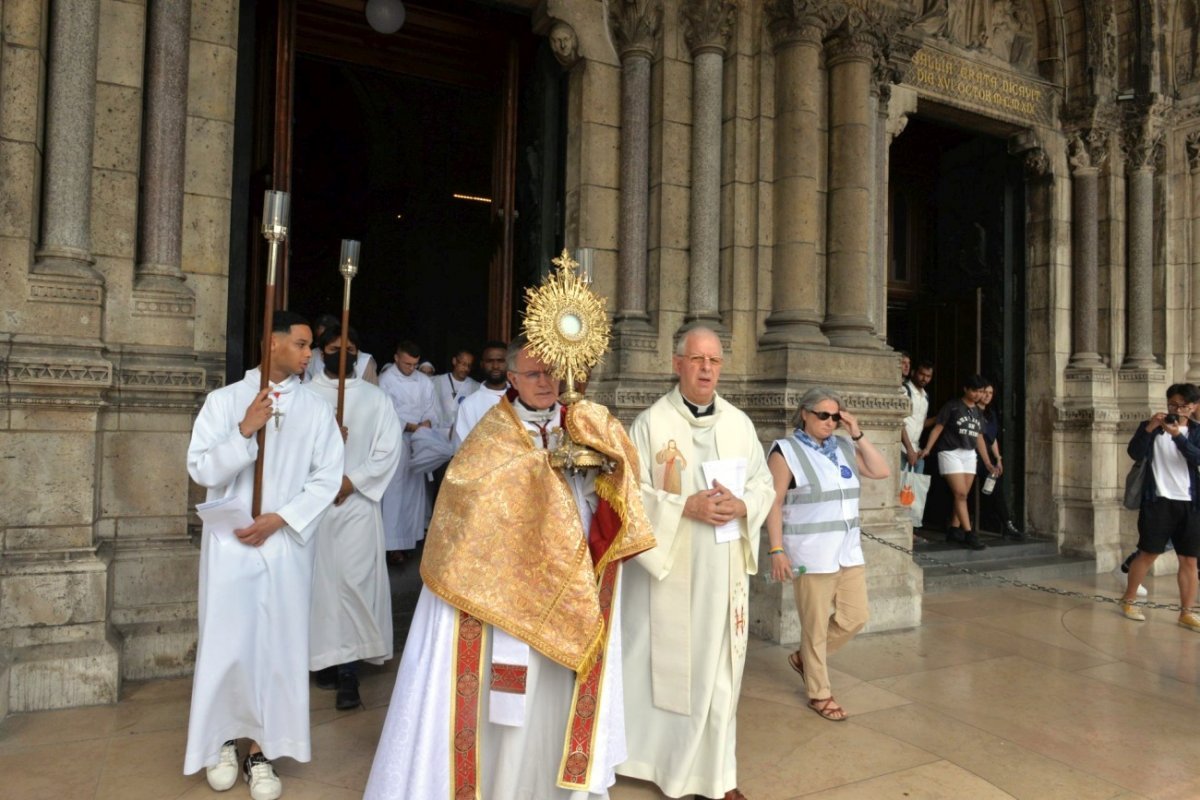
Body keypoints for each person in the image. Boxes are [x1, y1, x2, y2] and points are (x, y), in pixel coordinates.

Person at [362, 337, 657, 799]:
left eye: (552, 373)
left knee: (556, 700)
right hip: (502, 595)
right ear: (512, 378)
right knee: (501, 705)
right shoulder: (491, 435)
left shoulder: (585, 424)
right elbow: (469, 497)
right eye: (534, 374)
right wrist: (539, 475)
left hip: (570, 584)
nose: (546, 383)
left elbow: (620, 492)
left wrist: (601, 472)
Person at [183, 310, 344, 800]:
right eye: (300, 344)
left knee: (275, 649)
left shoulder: (317, 409)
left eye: (310, 346)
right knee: (228, 647)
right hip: (231, 546)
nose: (309, 354)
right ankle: (222, 742)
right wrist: (245, 430)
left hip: (282, 547)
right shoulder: (226, 401)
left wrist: (282, 518)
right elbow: (201, 468)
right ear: (270, 344)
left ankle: (260, 751)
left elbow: (328, 477)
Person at [617, 326, 775, 800]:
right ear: (676, 363)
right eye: (698, 359)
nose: (707, 368)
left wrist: (743, 505)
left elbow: (763, 483)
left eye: (715, 361)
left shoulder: (738, 423)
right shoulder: (648, 424)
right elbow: (626, 494)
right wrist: (684, 507)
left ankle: (717, 777)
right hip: (671, 571)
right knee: (665, 668)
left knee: (720, 669)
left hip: (722, 568)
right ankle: (652, 761)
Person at [764, 387, 889, 722]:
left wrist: (857, 432)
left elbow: (881, 471)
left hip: (848, 552)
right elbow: (772, 503)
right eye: (823, 415)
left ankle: (805, 658)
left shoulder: (845, 447)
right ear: (804, 413)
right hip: (811, 553)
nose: (830, 422)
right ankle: (819, 693)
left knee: (855, 616)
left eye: (836, 416)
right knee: (815, 628)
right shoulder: (786, 451)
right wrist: (776, 550)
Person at [307, 324, 403, 710]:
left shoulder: (376, 399)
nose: (342, 353)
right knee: (319, 588)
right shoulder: (304, 397)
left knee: (354, 583)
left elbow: (388, 449)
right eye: (334, 347)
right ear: (321, 352)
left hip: (358, 505)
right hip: (313, 508)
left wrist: (352, 480)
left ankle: (349, 669)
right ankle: (323, 660)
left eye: (350, 348)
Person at [1120, 383, 1200, 631]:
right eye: (1173, 404)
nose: (1177, 410)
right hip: (1158, 500)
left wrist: (1177, 436)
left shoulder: (1196, 432)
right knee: (1148, 553)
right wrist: (1149, 428)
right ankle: (1129, 600)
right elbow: (1134, 452)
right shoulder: (1153, 428)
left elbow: (1196, 457)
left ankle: (1186, 612)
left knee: (1189, 560)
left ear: (1194, 406)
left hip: (1190, 503)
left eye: (1184, 406)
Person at [919, 374, 998, 550]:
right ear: (966, 389)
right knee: (961, 493)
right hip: (950, 452)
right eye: (975, 391)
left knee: (962, 495)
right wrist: (928, 449)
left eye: (980, 391)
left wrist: (987, 461)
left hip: (969, 454)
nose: (978, 395)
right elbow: (938, 428)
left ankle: (954, 529)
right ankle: (970, 533)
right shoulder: (953, 407)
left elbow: (979, 438)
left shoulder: (978, 412)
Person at [379, 340, 436, 562]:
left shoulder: (424, 381)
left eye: (414, 364)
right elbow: (387, 412)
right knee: (395, 490)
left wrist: (427, 423)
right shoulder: (386, 380)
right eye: (406, 364)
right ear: (396, 358)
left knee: (415, 490)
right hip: (397, 439)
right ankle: (392, 544)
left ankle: (411, 539)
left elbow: (432, 407)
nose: (411, 368)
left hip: (420, 440)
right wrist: (410, 426)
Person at [975, 381, 1024, 540]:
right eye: (985, 392)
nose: (987, 396)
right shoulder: (973, 411)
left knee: (993, 488)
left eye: (990, 393)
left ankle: (1005, 523)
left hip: (989, 455)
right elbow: (979, 438)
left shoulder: (991, 413)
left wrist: (998, 459)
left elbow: (993, 438)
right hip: (974, 454)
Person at [453, 340, 509, 446]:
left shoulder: (521, 398)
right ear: (482, 364)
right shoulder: (468, 405)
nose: (495, 366)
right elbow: (461, 451)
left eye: (501, 361)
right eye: (490, 361)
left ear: (509, 363)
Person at [304, 313, 378, 385]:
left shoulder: (364, 362)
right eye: (322, 339)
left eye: (331, 337)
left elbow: (372, 392)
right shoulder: (309, 356)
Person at [901, 359, 934, 473]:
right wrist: (909, 449)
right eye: (922, 374)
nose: (924, 379)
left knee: (912, 490)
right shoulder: (904, 391)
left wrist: (938, 418)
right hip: (901, 449)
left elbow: (921, 423)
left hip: (916, 450)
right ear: (913, 372)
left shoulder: (925, 397)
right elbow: (899, 422)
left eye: (928, 376)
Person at [432, 348, 478, 428]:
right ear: (454, 361)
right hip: (440, 432)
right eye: (463, 364)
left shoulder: (476, 387)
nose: (466, 369)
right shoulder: (437, 381)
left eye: (469, 366)